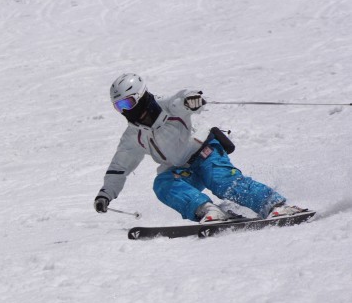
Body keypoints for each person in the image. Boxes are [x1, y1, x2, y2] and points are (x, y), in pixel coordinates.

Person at [93, 73, 303, 223]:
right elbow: (120, 166)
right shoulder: (134, 135)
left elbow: (183, 98)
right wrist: (106, 194)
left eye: (127, 103)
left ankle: (274, 205)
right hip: (183, 170)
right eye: (119, 107)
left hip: (206, 153)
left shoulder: (167, 106)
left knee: (220, 181)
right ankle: (207, 210)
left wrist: (193, 100)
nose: (125, 111)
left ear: (139, 96)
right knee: (163, 183)